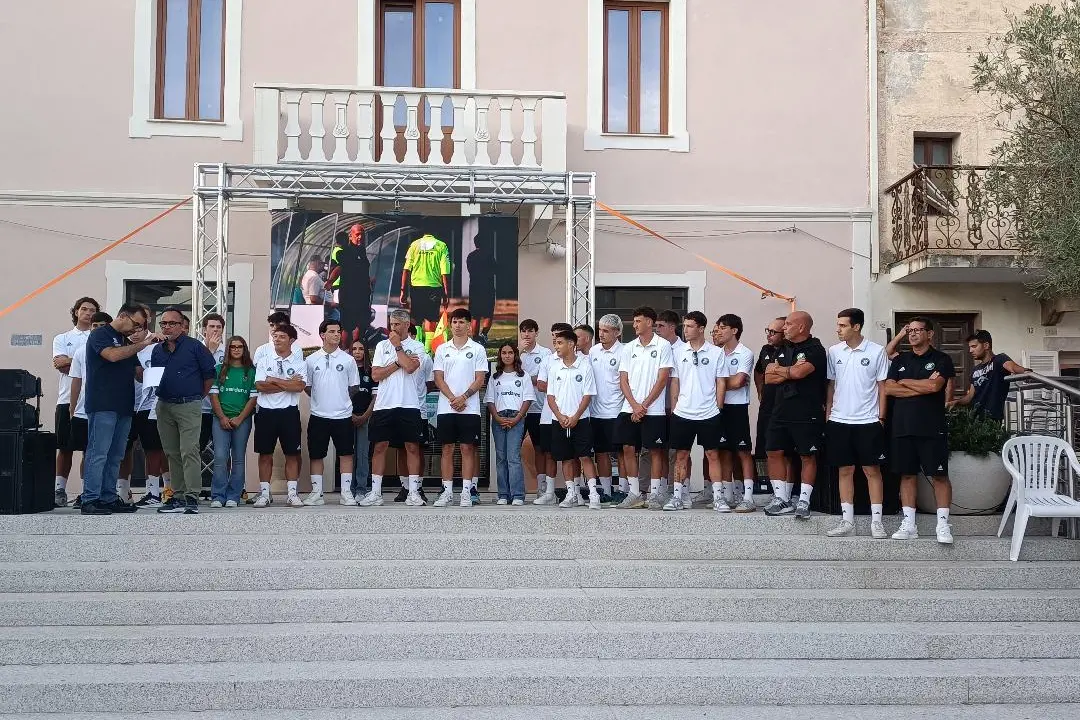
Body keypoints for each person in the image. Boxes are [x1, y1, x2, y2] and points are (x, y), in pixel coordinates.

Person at [81, 304, 158, 515]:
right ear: (123, 316)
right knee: (99, 453)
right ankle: (90, 498)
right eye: (135, 325)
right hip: (103, 404)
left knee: (116, 455)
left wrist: (162, 356)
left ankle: (108, 496)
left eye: (140, 328)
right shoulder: (100, 334)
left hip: (125, 405)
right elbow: (112, 356)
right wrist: (142, 344)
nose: (135, 331)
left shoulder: (125, 341)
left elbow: (139, 373)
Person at [885, 317, 957, 544]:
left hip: (931, 427)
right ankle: (909, 524)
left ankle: (943, 524)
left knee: (939, 475)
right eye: (910, 331)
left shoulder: (941, 359)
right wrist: (920, 386)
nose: (913, 334)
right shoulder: (900, 360)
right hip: (903, 426)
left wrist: (905, 383)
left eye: (918, 330)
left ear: (930, 334)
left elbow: (935, 386)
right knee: (907, 474)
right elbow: (889, 388)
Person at [824, 308, 890, 538]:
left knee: (872, 470)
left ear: (856, 327)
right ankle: (847, 521)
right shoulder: (834, 352)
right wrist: (829, 413)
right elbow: (831, 385)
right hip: (839, 420)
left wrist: (881, 417)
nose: (838, 329)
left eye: (842, 325)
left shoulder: (876, 351)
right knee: (845, 470)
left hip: (868, 420)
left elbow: (883, 387)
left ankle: (877, 522)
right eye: (838, 325)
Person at [763, 311, 828, 520]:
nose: (784, 328)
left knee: (806, 455)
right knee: (773, 452)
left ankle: (804, 500)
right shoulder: (781, 348)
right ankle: (781, 499)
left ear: (801, 327)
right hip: (780, 409)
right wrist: (789, 371)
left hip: (806, 412)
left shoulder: (815, 349)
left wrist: (783, 371)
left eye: (789, 324)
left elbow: (800, 373)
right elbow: (768, 377)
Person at [152, 308, 217, 514]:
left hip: (189, 404)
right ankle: (178, 495)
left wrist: (198, 396)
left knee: (189, 450)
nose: (167, 327)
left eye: (172, 323)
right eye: (163, 324)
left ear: (182, 326)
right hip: (164, 404)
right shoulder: (157, 349)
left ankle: (191, 496)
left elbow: (209, 375)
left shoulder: (194, 347)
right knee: (171, 452)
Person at [665, 311, 727, 512]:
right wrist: (674, 407)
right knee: (681, 455)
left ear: (701, 328)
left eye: (690, 326)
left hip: (709, 412)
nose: (685, 330)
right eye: (684, 326)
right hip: (683, 412)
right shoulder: (678, 352)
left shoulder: (716, 352)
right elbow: (675, 381)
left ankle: (718, 498)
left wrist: (718, 406)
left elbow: (721, 381)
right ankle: (677, 497)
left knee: (712, 454)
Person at [364, 309, 426, 506]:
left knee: (412, 447)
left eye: (397, 324)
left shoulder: (418, 346)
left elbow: (411, 367)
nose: (393, 328)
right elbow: (376, 375)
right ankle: (375, 493)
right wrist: (397, 363)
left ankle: (413, 492)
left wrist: (398, 349)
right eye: (391, 324)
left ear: (407, 325)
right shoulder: (382, 345)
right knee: (379, 447)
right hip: (384, 404)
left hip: (409, 404)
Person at [615, 306, 674, 509]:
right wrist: (634, 405)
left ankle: (656, 493)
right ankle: (634, 493)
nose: (635, 325)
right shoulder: (628, 347)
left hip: (654, 409)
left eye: (639, 321)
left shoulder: (664, 345)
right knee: (628, 448)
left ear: (649, 322)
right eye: (634, 321)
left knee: (656, 450)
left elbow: (663, 378)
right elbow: (623, 379)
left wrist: (645, 405)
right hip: (629, 407)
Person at [431, 308, 488, 507]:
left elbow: (480, 378)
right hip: (446, 408)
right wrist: (452, 398)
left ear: (469, 325)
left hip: (469, 408)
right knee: (447, 448)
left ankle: (466, 491)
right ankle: (446, 492)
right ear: (450, 324)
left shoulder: (478, 349)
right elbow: (438, 377)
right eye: (454, 322)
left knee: (467, 448)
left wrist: (464, 397)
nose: (457, 325)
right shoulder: (442, 349)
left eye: (462, 322)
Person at [305, 319, 362, 506]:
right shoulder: (311, 360)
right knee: (316, 454)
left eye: (339, 331)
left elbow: (354, 387)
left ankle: (346, 493)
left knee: (346, 453)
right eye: (332, 331)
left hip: (342, 415)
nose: (337, 335)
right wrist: (321, 398)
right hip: (319, 415)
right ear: (322, 335)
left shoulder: (348, 360)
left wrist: (340, 400)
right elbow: (308, 387)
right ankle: (316, 493)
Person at [252, 324, 308, 508]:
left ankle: (292, 494)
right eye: (275, 336)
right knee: (265, 453)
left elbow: (299, 387)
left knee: (292, 454)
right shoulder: (264, 359)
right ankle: (265, 494)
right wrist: (286, 384)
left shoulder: (299, 362)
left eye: (282, 337)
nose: (277, 339)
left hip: (289, 412)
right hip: (265, 412)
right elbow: (260, 386)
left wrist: (274, 380)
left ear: (291, 340)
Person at [547, 329, 603, 509]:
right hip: (560, 421)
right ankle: (571, 493)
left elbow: (588, 395)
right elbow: (550, 396)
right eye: (555, 343)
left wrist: (576, 416)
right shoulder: (554, 367)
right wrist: (560, 416)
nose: (557, 346)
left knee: (585, 456)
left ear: (571, 344)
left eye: (560, 343)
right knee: (566, 458)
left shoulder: (585, 365)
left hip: (581, 420)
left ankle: (594, 494)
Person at [52, 296, 99, 507]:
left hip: (92, 400)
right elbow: (61, 365)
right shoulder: (62, 338)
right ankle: (59, 489)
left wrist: (73, 359)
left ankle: (85, 490)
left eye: (92, 310)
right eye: (84, 309)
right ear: (76, 312)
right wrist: (80, 358)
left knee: (89, 448)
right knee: (65, 446)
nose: (88, 313)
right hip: (66, 398)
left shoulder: (98, 337)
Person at [67, 312, 112, 508]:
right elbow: (76, 381)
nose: (98, 329)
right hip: (84, 410)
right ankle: (88, 492)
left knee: (108, 454)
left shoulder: (116, 349)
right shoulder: (80, 351)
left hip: (108, 409)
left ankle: (106, 493)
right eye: (95, 325)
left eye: (103, 325)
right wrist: (72, 407)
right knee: (89, 454)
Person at [208, 336, 257, 508]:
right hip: (220, 420)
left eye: (240, 347)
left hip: (241, 421)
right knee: (220, 457)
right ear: (228, 349)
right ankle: (218, 496)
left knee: (238, 458)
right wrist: (222, 417)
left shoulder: (251, 371)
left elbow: (253, 399)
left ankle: (233, 496)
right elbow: (213, 395)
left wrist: (240, 418)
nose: (236, 350)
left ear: (244, 349)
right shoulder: (219, 369)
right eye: (233, 347)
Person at [715, 313, 757, 513]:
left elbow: (739, 381)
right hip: (719, 406)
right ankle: (727, 494)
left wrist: (719, 383)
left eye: (723, 327)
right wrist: (724, 383)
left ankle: (748, 496)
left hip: (738, 407)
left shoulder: (745, 353)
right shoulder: (716, 353)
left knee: (743, 451)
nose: (718, 331)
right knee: (723, 451)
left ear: (734, 330)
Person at [486, 342, 534, 505]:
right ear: (500, 355)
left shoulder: (523, 376)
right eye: (504, 353)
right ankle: (503, 494)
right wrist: (497, 418)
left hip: (516, 417)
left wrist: (518, 417)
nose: (507, 356)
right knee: (501, 457)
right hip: (499, 417)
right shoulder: (495, 377)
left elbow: (528, 399)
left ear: (515, 355)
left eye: (510, 353)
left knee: (513, 456)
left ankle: (518, 495)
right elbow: (490, 400)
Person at [754, 317, 794, 502]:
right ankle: (774, 490)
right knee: (767, 448)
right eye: (767, 331)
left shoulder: (792, 349)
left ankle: (788, 492)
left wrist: (777, 374)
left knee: (786, 452)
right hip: (768, 406)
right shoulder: (765, 350)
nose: (769, 335)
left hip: (786, 407)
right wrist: (761, 392)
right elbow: (762, 373)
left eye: (773, 332)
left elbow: (786, 375)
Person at [948, 330, 1028, 420]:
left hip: (991, 420)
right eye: (970, 347)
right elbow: (970, 396)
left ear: (986, 345)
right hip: (973, 419)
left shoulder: (999, 359)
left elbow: (1013, 368)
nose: (970, 351)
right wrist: (956, 402)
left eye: (974, 346)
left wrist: (1026, 372)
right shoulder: (975, 369)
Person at [131, 314, 167, 508]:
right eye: (132, 329)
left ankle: (155, 492)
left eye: (139, 329)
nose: (135, 333)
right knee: (125, 450)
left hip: (150, 405)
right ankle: (122, 491)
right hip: (127, 405)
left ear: (147, 329)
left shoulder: (156, 346)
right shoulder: (121, 347)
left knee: (154, 449)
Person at [394, 325, 433, 503]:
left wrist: (417, 394)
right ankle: (405, 486)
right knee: (401, 450)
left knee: (417, 449)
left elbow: (430, 383)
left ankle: (417, 486)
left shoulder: (423, 355)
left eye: (406, 333)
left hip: (418, 410)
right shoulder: (392, 350)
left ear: (413, 334)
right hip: (399, 407)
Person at [588, 314, 625, 501]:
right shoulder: (593, 352)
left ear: (617, 333)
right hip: (596, 412)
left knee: (622, 453)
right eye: (600, 330)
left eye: (606, 331)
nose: (601, 334)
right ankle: (607, 491)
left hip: (617, 410)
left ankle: (624, 490)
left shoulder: (624, 352)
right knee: (601, 453)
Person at [519, 319, 554, 503]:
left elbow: (541, 381)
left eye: (530, 331)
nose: (526, 335)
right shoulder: (518, 354)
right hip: (519, 410)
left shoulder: (546, 353)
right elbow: (510, 372)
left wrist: (524, 378)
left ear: (536, 332)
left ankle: (543, 487)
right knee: (513, 450)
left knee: (541, 449)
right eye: (523, 331)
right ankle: (516, 490)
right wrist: (519, 354)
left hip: (539, 409)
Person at [655, 309, 685, 505]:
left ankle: (681, 489)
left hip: (679, 408)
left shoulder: (683, 349)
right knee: (656, 450)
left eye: (661, 326)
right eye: (655, 325)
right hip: (657, 407)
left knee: (679, 451)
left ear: (672, 327)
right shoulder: (655, 347)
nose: (657, 329)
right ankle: (660, 489)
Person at [326, 224, 373, 348]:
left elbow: (364, 271)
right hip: (348, 294)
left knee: (361, 324)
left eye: (362, 234)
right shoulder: (345, 252)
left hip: (362, 295)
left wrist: (369, 283)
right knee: (347, 325)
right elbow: (339, 268)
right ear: (350, 235)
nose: (360, 237)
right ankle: (345, 350)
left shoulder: (362, 251)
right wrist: (330, 281)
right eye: (357, 234)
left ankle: (357, 350)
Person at [399, 232, 450, 334]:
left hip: (417, 287)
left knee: (416, 318)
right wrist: (446, 293)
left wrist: (403, 291)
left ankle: (417, 346)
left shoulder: (414, 244)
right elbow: (444, 271)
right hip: (434, 287)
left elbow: (406, 269)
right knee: (431, 319)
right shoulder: (441, 245)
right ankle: (428, 348)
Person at [199, 313, 227, 497]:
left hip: (221, 411)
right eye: (212, 327)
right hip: (199, 409)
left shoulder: (227, 353)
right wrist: (209, 351)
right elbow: (195, 373)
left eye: (219, 327)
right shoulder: (196, 349)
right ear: (204, 330)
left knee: (223, 453)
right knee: (195, 450)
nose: (215, 330)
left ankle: (224, 491)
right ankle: (193, 489)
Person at [350, 339, 377, 501]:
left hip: (365, 418)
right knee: (349, 454)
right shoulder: (345, 369)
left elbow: (375, 396)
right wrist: (349, 414)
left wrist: (366, 415)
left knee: (362, 454)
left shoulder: (371, 371)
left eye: (361, 349)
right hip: (347, 417)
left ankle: (361, 488)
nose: (357, 352)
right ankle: (349, 489)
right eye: (354, 349)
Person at [466, 234, 496, 344]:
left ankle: (475, 338)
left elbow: (470, 270)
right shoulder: (489, 255)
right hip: (487, 287)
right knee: (488, 314)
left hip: (474, 287)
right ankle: (484, 334)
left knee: (475, 315)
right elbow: (495, 270)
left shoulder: (470, 256)